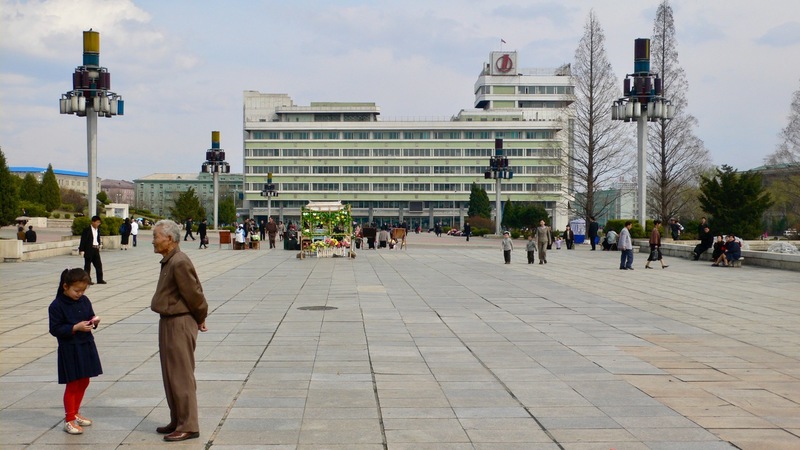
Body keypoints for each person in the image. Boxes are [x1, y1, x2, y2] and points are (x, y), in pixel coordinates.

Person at [150, 220, 208, 442]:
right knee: (170, 374)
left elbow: (194, 294)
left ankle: (189, 425)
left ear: (170, 240)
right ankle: (177, 419)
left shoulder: (179, 262)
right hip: (168, 321)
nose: (153, 241)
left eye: (156, 236)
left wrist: (200, 317)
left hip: (179, 322)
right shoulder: (169, 260)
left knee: (181, 375)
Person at [48, 268, 102, 435]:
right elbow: (55, 329)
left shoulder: (85, 301)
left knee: (84, 381)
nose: (80, 293)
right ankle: (69, 419)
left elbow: (90, 315)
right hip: (70, 348)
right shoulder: (56, 305)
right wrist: (74, 327)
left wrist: (94, 321)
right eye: (76, 290)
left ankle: (75, 412)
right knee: (73, 383)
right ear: (65, 286)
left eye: (83, 290)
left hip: (86, 344)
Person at [79, 216, 106, 284]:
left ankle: (100, 279)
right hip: (89, 249)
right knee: (87, 266)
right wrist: (81, 250)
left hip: (96, 249)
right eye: (97, 222)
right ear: (93, 222)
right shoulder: (87, 230)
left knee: (98, 265)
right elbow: (83, 240)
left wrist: (99, 244)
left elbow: (97, 238)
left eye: (99, 222)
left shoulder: (98, 229)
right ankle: (87, 280)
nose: (98, 224)